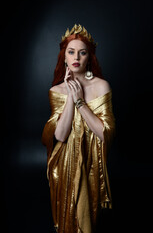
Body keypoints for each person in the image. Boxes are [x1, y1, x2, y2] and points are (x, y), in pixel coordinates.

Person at [42, 24, 115, 233]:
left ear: (89, 58)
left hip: (91, 161)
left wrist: (81, 102)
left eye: (82, 53)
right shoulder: (56, 90)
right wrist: (70, 99)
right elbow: (60, 135)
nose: (76, 57)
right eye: (71, 52)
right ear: (64, 58)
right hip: (65, 163)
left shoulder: (101, 86)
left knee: (88, 217)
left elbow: (105, 133)